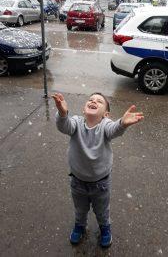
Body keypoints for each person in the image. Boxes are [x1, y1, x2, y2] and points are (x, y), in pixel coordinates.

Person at [52, 92, 144, 247]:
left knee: (101, 210)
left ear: (106, 114)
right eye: (90, 100)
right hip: (77, 181)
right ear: (83, 109)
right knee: (80, 209)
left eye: (99, 101)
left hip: (100, 183)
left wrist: (122, 123)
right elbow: (64, 126)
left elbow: (114, 129)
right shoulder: (76, 122)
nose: (93, 101)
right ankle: (80, 226)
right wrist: (62, 113)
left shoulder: (105, 126)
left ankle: (105, 228)